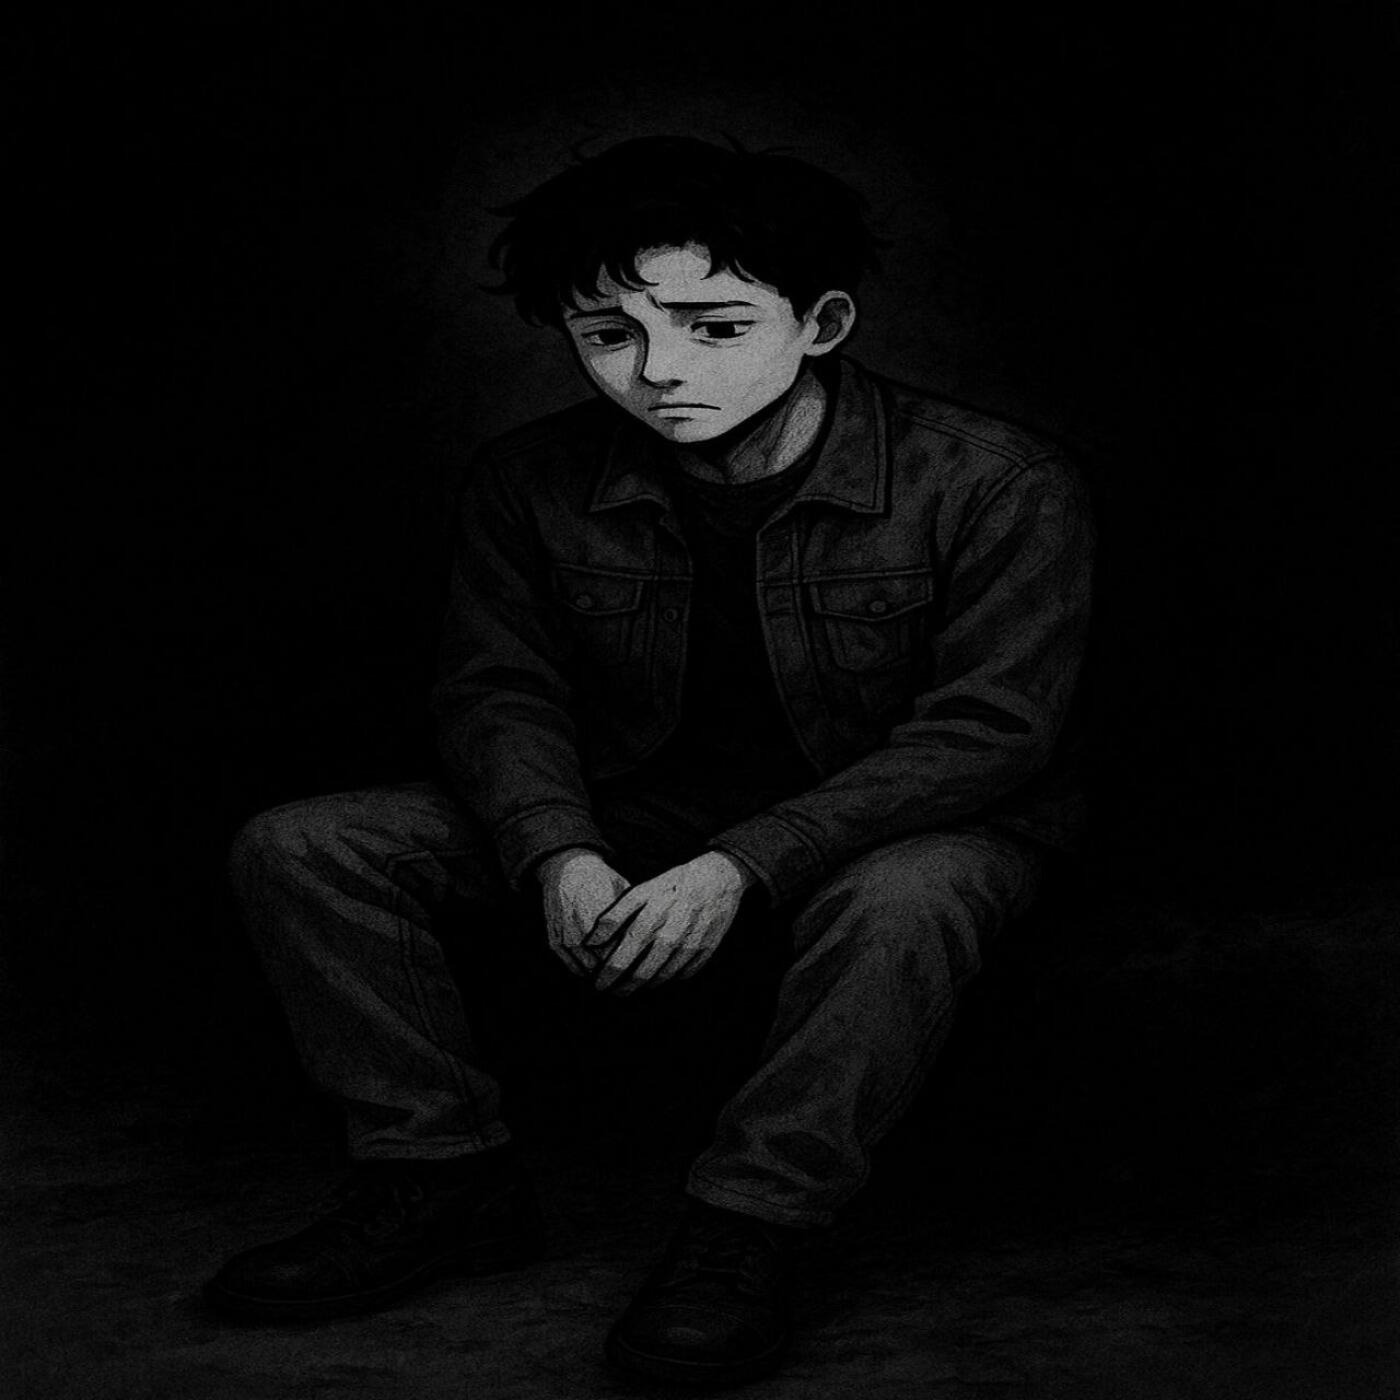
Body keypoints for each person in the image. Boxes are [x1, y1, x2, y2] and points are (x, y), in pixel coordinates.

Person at [203, 134, 1095, 1386]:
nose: (659, 370)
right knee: (305, 846)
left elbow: (989, 732)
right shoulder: (527, 478)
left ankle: (749, 1223)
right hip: (642, 801)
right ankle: (439, 1175)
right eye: (606, 334)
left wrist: (741, 862)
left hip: (913, 817)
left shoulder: (995, 481)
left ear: (821, 322)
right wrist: (555, 850)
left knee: (906, 898)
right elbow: (498, 693)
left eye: (715, 327)